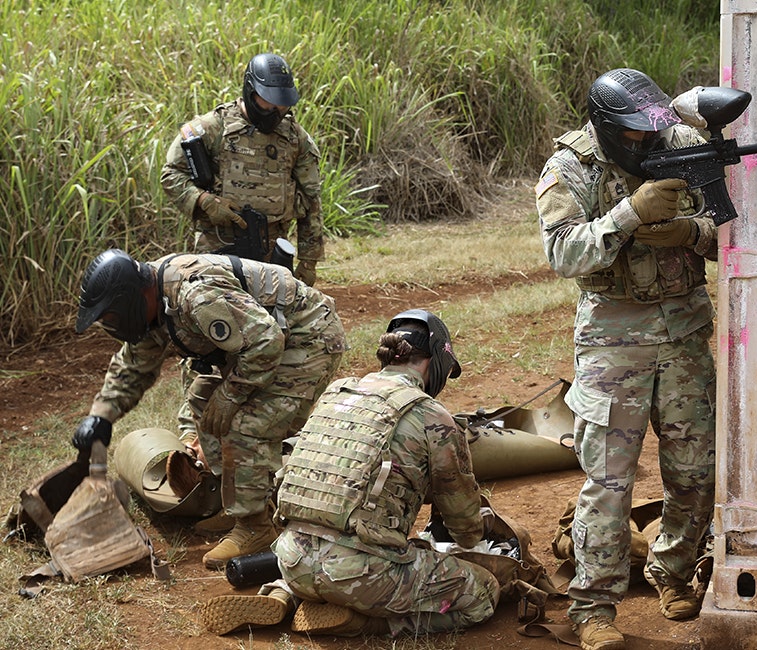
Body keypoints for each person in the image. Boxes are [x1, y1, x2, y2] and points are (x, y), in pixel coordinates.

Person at [534, 68, 717, 650]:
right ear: (608, 129)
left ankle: (673, 572)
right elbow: (562, 252)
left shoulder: (681, 142)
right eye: (634, 134)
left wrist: (691, 232)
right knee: (608, 481)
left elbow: (733, 225)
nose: (647, 141)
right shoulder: (572, 166)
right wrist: (629, 214)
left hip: (685, 331)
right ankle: (593, 608)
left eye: (652, 129)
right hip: (614, 338)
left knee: (694, 472)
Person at [200, 309, 499, 639]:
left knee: (338, 549)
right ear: (435, 361)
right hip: (362, 576)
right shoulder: (431, 415)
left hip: (290, 558)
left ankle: (282, 595)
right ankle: (366, 623)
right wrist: (479, 525)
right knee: (483, 593)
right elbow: (465, 528)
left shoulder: (337, 393)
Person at [71, 249, 346, 569]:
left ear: (132, 297)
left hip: (308, 337)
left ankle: (254, 527)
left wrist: (232, 394)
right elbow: (131, 368)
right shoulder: (155, 305)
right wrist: (100, 417)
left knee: (246, 422)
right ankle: (241, 503)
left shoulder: (195, 295)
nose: (112, 325)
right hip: (267, 342)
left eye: (112, 317)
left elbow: (266, 341)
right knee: (204, 398)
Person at [160, 52, 326, 449]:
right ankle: (193, 427)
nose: (277, 110)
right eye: (269, 102)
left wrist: (309, 263)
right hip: (218, 248)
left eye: (283, 103)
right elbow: (170, 175)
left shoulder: (295, 138)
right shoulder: (212, 128)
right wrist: (205, 204)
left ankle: (255, 420)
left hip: (272, 252)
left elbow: (312, 201)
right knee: (207, 336)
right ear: (250, 92)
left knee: (270, 333)